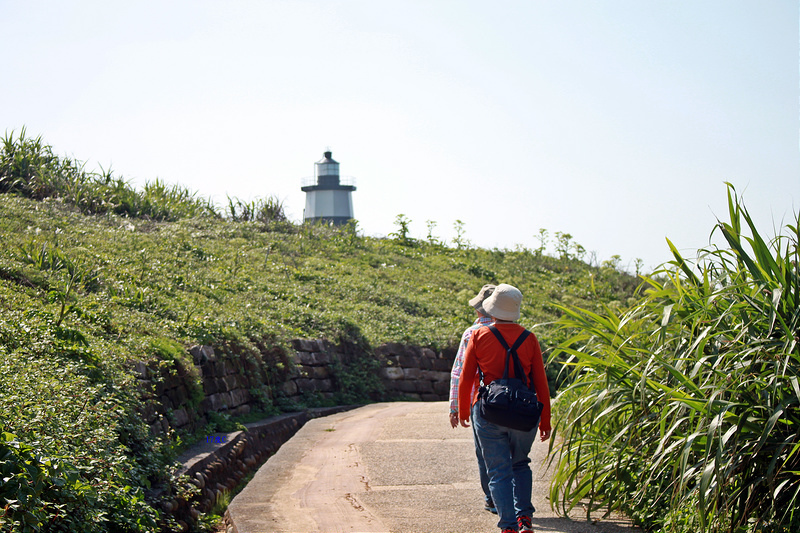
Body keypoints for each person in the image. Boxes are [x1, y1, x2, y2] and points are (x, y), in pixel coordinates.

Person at [458, 283, 551, 533]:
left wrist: (464, 411)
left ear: (492, 308)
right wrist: (546, 420)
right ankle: (524, 520)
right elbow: (541, 384)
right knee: (520, 464)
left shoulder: (479, 335)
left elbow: (467, 378)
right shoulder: (530, 338)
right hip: (524, 413)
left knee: (498, 470)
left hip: (489, 410)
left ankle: (508, 525)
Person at [448, 284, 497, 514]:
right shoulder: (517, 332)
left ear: (480, 310)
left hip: (481, 401)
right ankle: (510, 497)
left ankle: (491, 497)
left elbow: (459, 371)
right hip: (511, 400)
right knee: (508, 453)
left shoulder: (471, 333)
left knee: (484, 451)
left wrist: (456, 407)